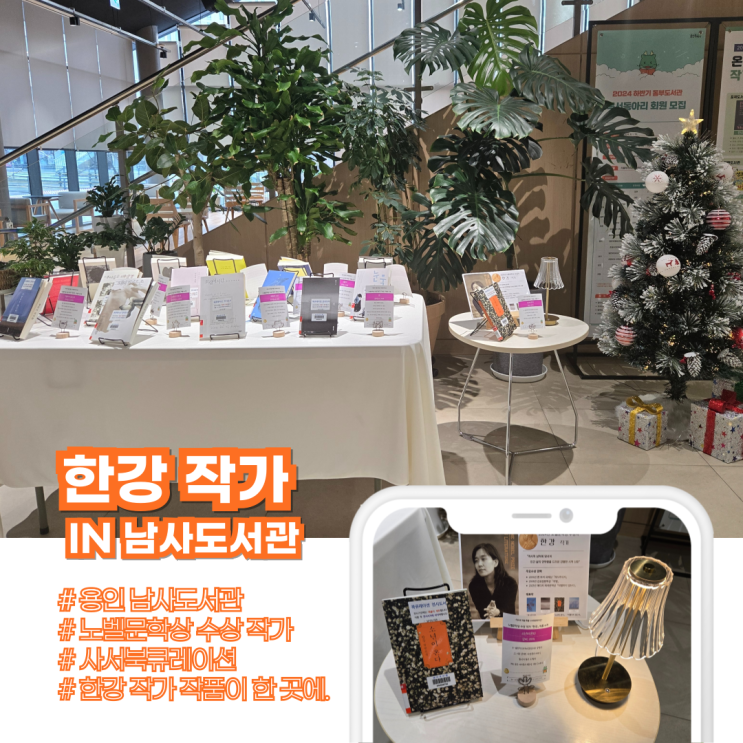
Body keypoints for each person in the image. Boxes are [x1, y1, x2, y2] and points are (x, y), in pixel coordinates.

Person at [468, 542, 518, 619]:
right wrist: (489, 613)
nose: (479, 564)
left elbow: (510, 611)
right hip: (488, 623)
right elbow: (483, 613)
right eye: (476, 560)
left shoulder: (510, 583)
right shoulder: (474, 586)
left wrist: (498, 612)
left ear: (495, 562)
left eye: (483, 559)